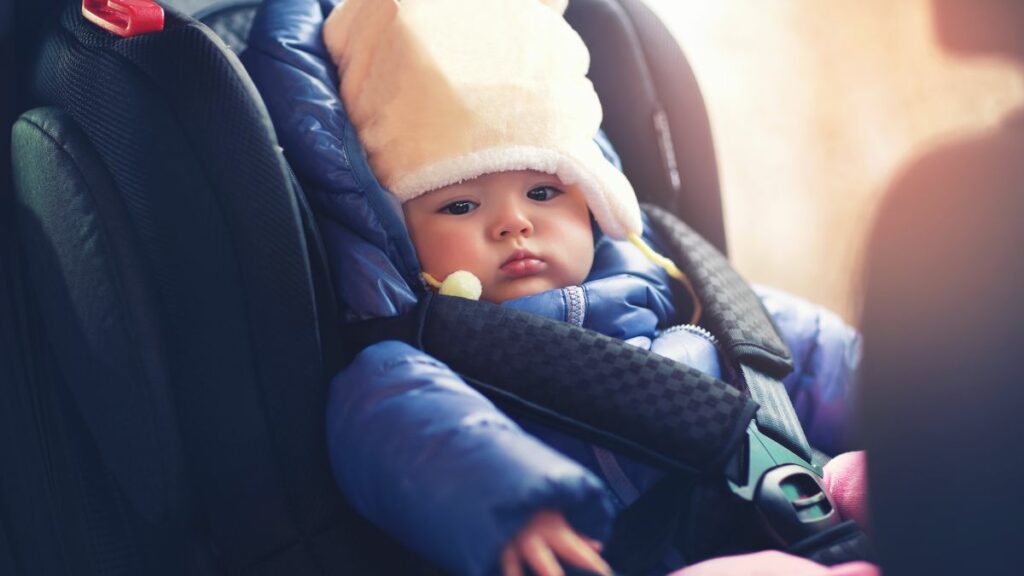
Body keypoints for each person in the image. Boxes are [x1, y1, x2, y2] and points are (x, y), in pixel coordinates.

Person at [292, 0, 866, 574]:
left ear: (594, 205)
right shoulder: (412, 361)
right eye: (459, 204)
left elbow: (825, 358)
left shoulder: (687, 297)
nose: (513, 223)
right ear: (400, 236)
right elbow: (407, 432)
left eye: (543, 193)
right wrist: (518, 504)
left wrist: (914, 402)